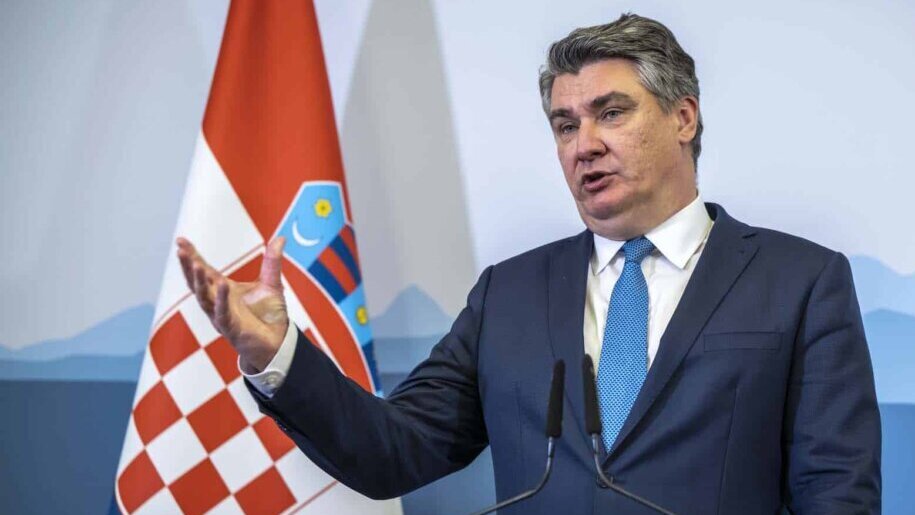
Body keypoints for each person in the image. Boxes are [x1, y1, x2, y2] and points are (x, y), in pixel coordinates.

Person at [176, 13, 881, 514]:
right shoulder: (509, 294)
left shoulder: (800, 283)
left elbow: (837, 494)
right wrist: (276, 354)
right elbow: (393, 451)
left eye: (611, 113)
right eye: (565, 125)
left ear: (683, 117)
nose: (584, 144)